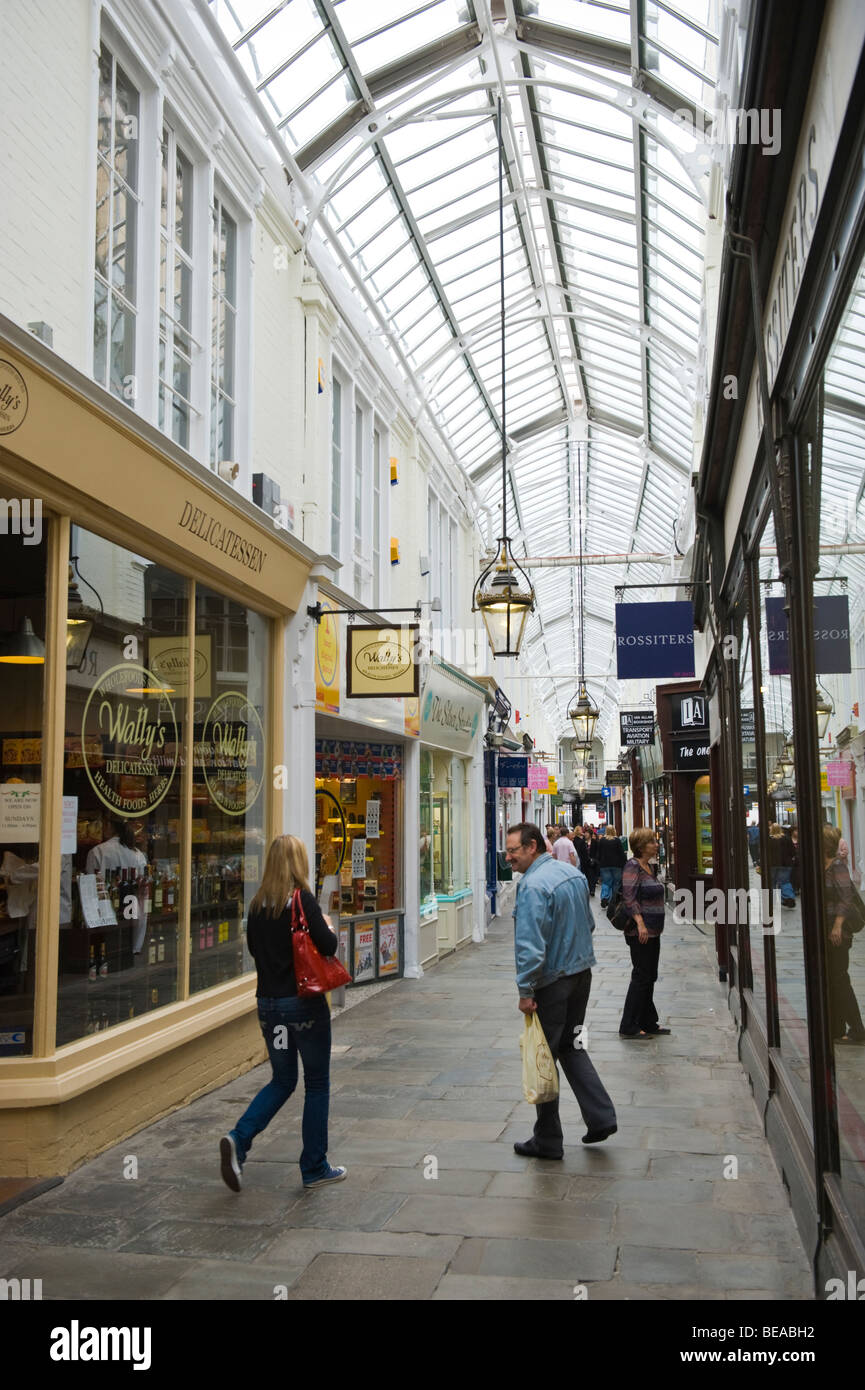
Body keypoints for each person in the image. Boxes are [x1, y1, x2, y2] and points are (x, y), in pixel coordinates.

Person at [220, 834, 347, 1192]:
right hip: (303, 1004)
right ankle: (314, 1166)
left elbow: (255, 951)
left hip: (269, 1006)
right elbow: (328, 945)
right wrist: (325, 924)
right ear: (298, 863)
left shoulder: (258, 904)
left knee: (282, 1080)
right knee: (317, 1084)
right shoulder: (301, 899)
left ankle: (238, 1138)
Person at [505, 822, 617, 1156]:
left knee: (544, 1055)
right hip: (581, 975)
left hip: (552, 982)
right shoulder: (573, 876)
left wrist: (526, 990)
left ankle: (549, 1139)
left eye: (513, 850)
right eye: (508, 850)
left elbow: (530, 944)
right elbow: (591, 923)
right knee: (571, 1045)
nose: (508, 857)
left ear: (533, 847)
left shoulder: (533, 886)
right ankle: (601, 1117)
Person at [618, 827, 671, 1038]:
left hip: (654, 931)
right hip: (640, 933)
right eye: (651, 842)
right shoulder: (632, 866)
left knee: (650, 976)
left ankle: (648, 1021)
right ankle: (628, 1025)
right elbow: (629, 897)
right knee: (641, 976)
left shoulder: (648, 867)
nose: (656, 844)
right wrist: (640, 922)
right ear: (641, 846)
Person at [823, 824, 865, 1045]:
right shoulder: (824, 865)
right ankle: (836, 1028)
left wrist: (838, 925)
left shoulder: (837, 866)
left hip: (838, 932)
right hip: (826, 929)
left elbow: (846, 898)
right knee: (833, 978)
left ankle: (857, 1029)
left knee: (839, 979)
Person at [596, 825, 626, 907]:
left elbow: (599, 853)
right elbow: (621, 853)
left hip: (604, 865)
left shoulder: (602, 840)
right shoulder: (617, 840)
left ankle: (605, 897)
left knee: (606, 882)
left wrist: (599, 862)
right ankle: (614, 899)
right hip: (616, 865)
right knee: (616, 883)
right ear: (614, 831)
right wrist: (624, 863)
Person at [767, 823, 796, 909]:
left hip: (772, 864)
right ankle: (788, 897)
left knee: (772, 883)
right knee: (785, 881)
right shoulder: (786, 838)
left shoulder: (768, 839)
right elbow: (792, 851)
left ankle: (773, 900)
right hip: (786, 864)